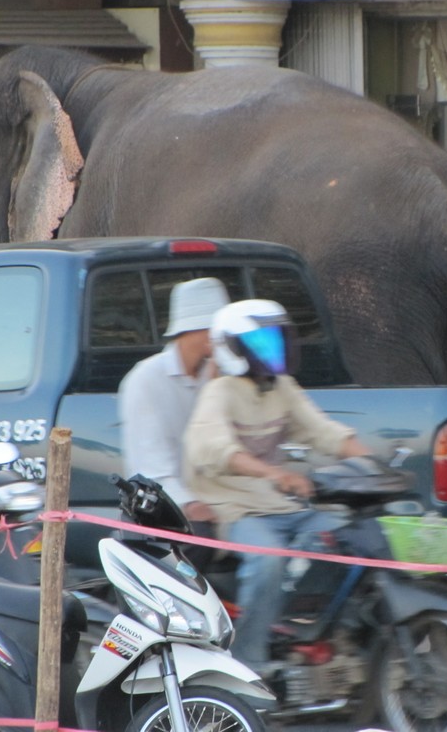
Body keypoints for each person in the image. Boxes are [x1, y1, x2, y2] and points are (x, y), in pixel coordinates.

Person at [183, 299, 370, 673]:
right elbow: (214, 450)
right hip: (237, 510)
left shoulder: (282, 387)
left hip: (287, 508)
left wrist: (370, 464)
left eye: (277, 340)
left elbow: (325, 433)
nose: (275, 350)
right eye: (263, 342)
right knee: (269, 560)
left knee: (353, 538)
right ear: (233, 348)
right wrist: (275, 475)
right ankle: (248, 661)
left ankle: (315, 639)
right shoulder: (219, 392)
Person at [118, 277, 229, 566]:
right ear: (201, 331)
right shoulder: (146, 379)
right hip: (161, 506)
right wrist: (191, 504)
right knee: (198, 542)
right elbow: (153, 466)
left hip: (212, 497)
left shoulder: (214, 377)